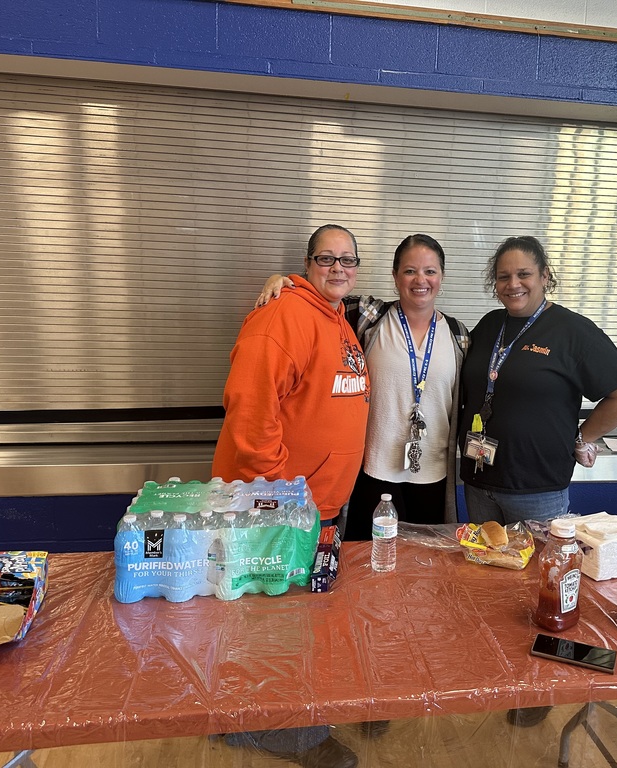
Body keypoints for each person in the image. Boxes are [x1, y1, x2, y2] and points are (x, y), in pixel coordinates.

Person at [458, 235, 617, 729]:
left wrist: (584, 434)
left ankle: (536, 689)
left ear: (544, 277)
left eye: (523, 275)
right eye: (503, 276)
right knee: (489, 586)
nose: (513, 284)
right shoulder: (489, 326)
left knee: (543, 594)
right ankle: (496, 672)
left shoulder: (572, 331)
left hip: (537, 489)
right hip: (479, 483)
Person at [212, 223, 369, 768]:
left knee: (297, 622)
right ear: (307, 264)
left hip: (315, 507)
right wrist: (281, 501)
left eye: (348, 259)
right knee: (274, 626)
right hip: (277, 511)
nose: (338, 267)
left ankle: (275, 719)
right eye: (326, 258)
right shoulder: (284, 314)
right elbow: (252, 417)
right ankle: (279, 732)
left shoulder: (338, 317)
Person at [258, 234, 469, 540]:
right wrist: (282, 281)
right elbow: (322, 296)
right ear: (395, 276)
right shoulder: (368, 317)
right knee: (368, 560)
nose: (420, 280)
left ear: (442, 276)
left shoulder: (458, 335)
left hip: (433, 474)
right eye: (410, 270)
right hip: (373, 470)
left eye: (430, 271)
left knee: (426, 566)